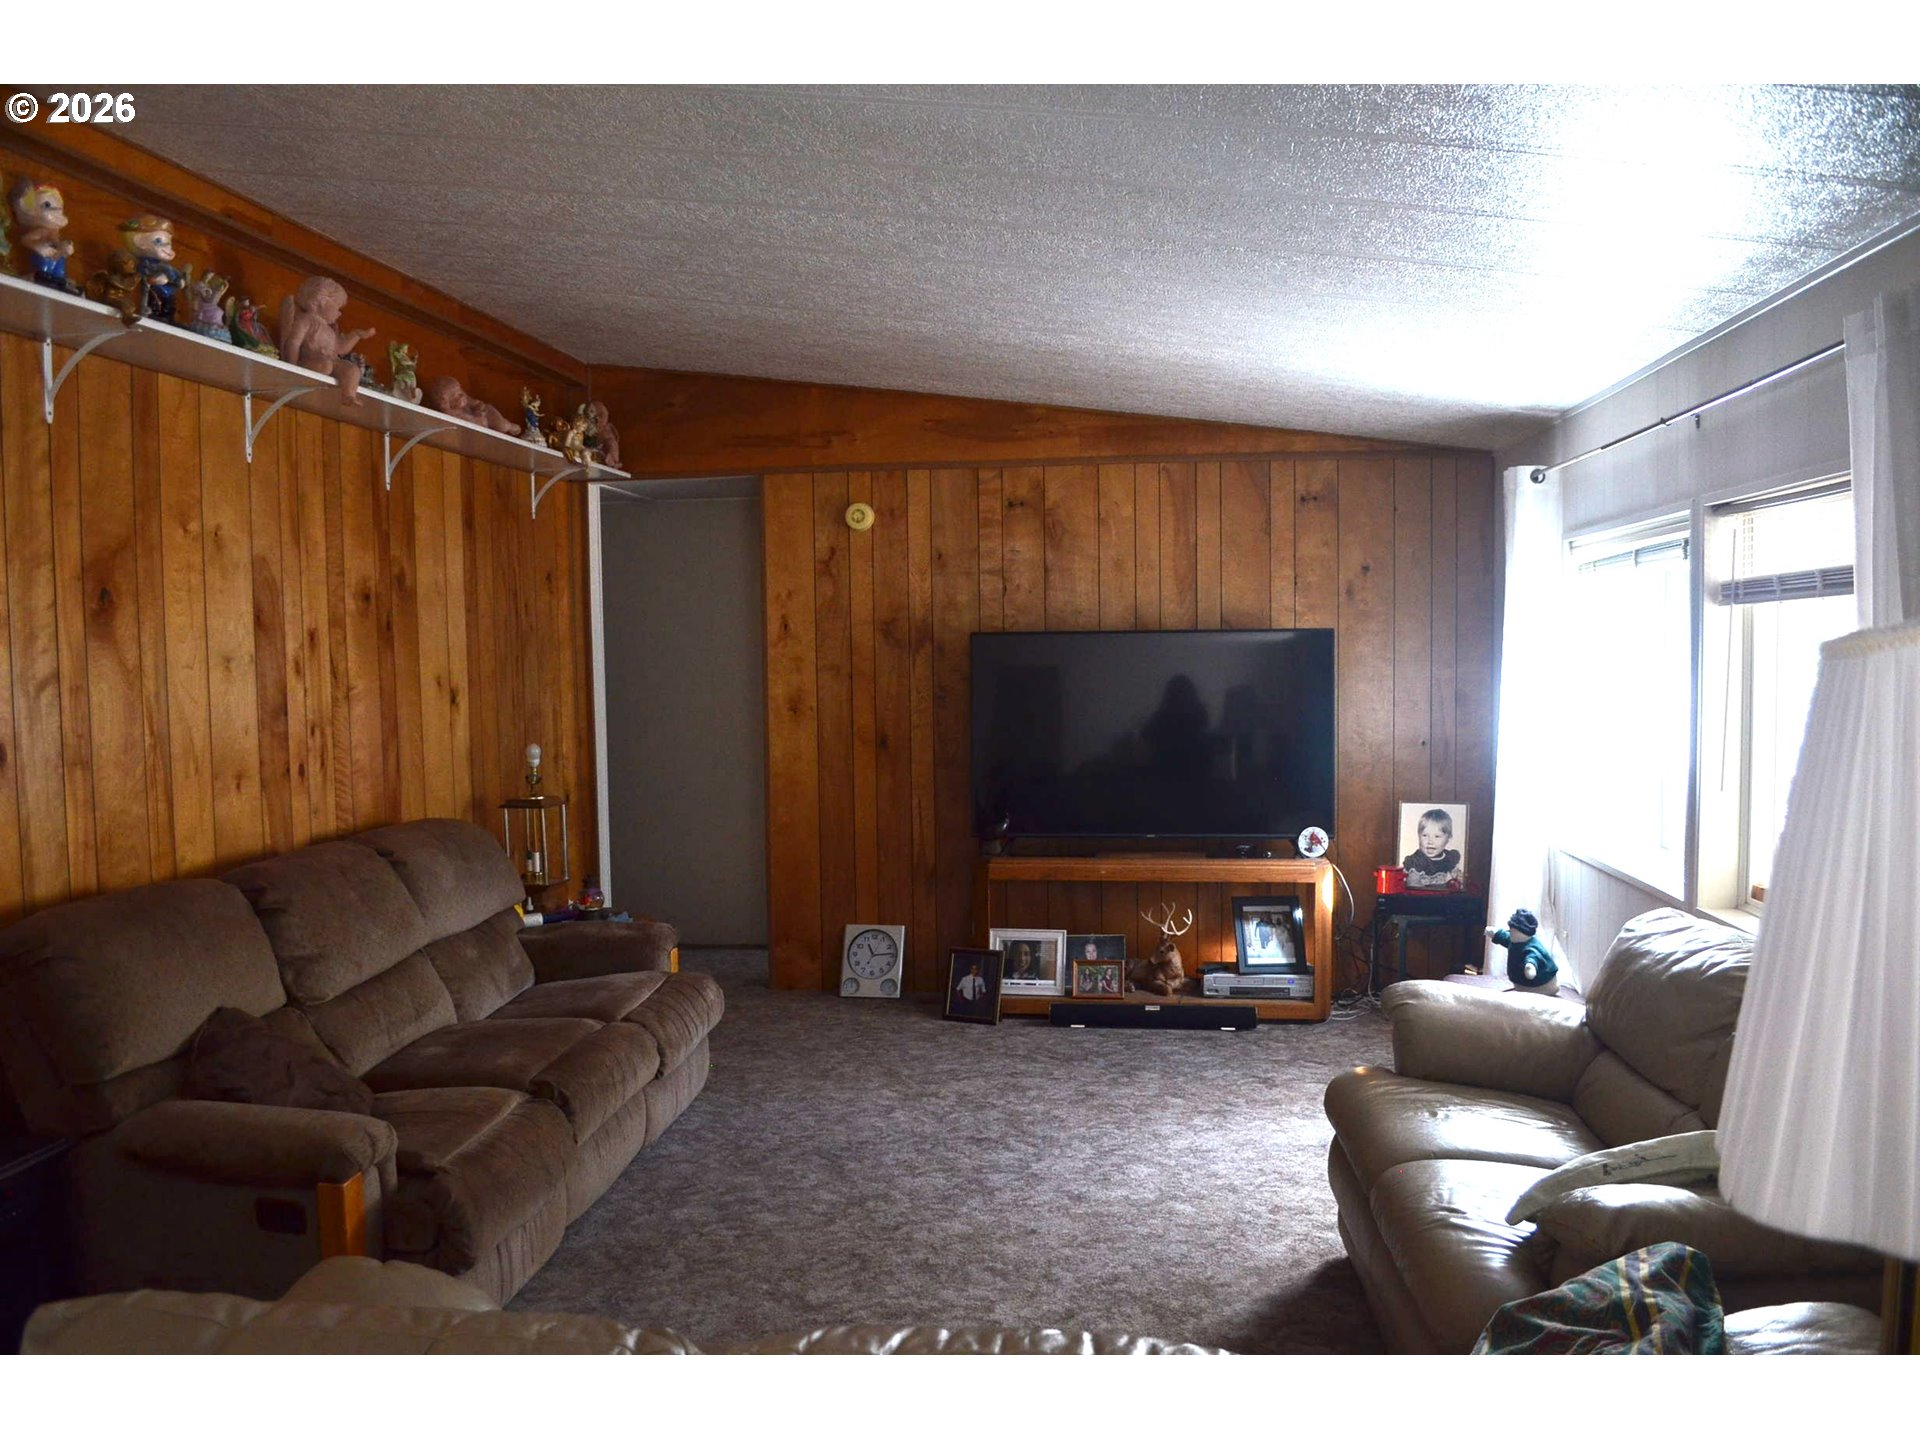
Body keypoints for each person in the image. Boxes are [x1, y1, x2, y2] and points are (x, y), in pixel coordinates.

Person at [1404, 807, 1464, 889]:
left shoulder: (1450, 858)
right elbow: (1413, 886)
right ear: (1419, 836)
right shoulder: (1416, 861)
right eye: (1425, 835)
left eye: (1437, 836)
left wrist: (1457, 880)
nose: (1430, 841)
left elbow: (1458, 882)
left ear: (1448, 839)